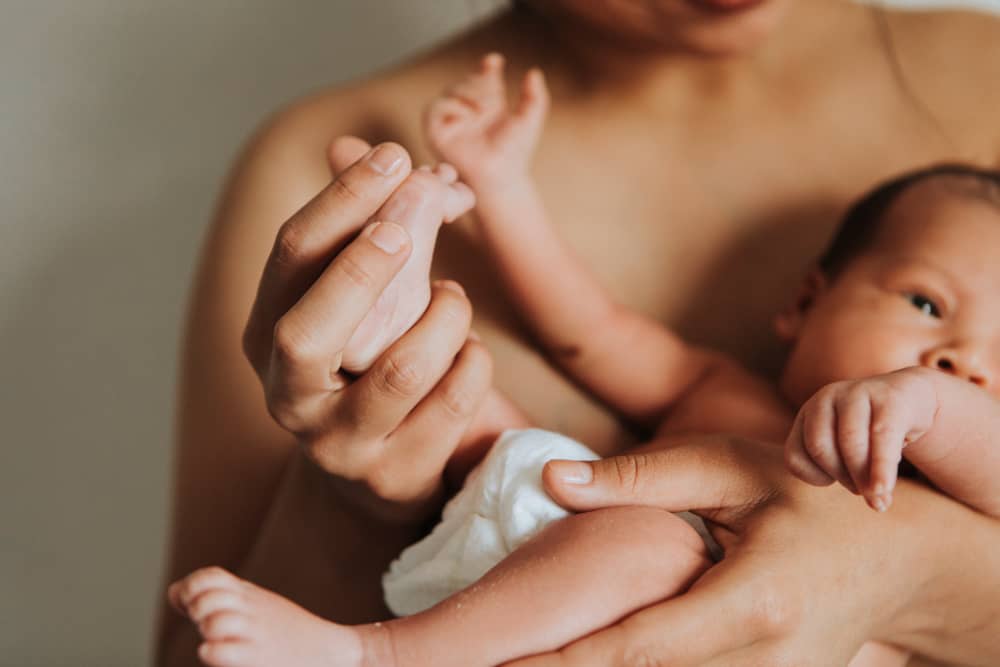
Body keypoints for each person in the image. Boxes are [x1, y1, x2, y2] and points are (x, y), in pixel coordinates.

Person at [157, 2, 1000, 665]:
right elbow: (589, 331)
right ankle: (399, 278)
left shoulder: (979, 76)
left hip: (624, 557)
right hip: (524, 534)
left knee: (638, 536)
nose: (964, 357)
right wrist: (500, 191)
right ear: (806, 301)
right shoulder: (724, 394)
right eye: (925, 305)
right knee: (471, 411)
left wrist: (925, 472)